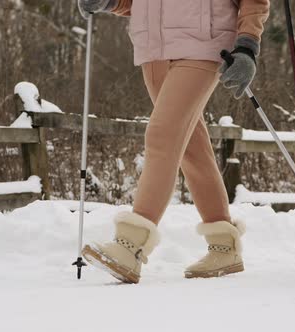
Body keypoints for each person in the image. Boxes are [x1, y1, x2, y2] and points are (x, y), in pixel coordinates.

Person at [77, 0, 270, 284]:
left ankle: (130, 245)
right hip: (154, 47)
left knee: (162, 135)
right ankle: (224, 246)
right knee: (191, 147)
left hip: (204, 42)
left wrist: (247, 45)